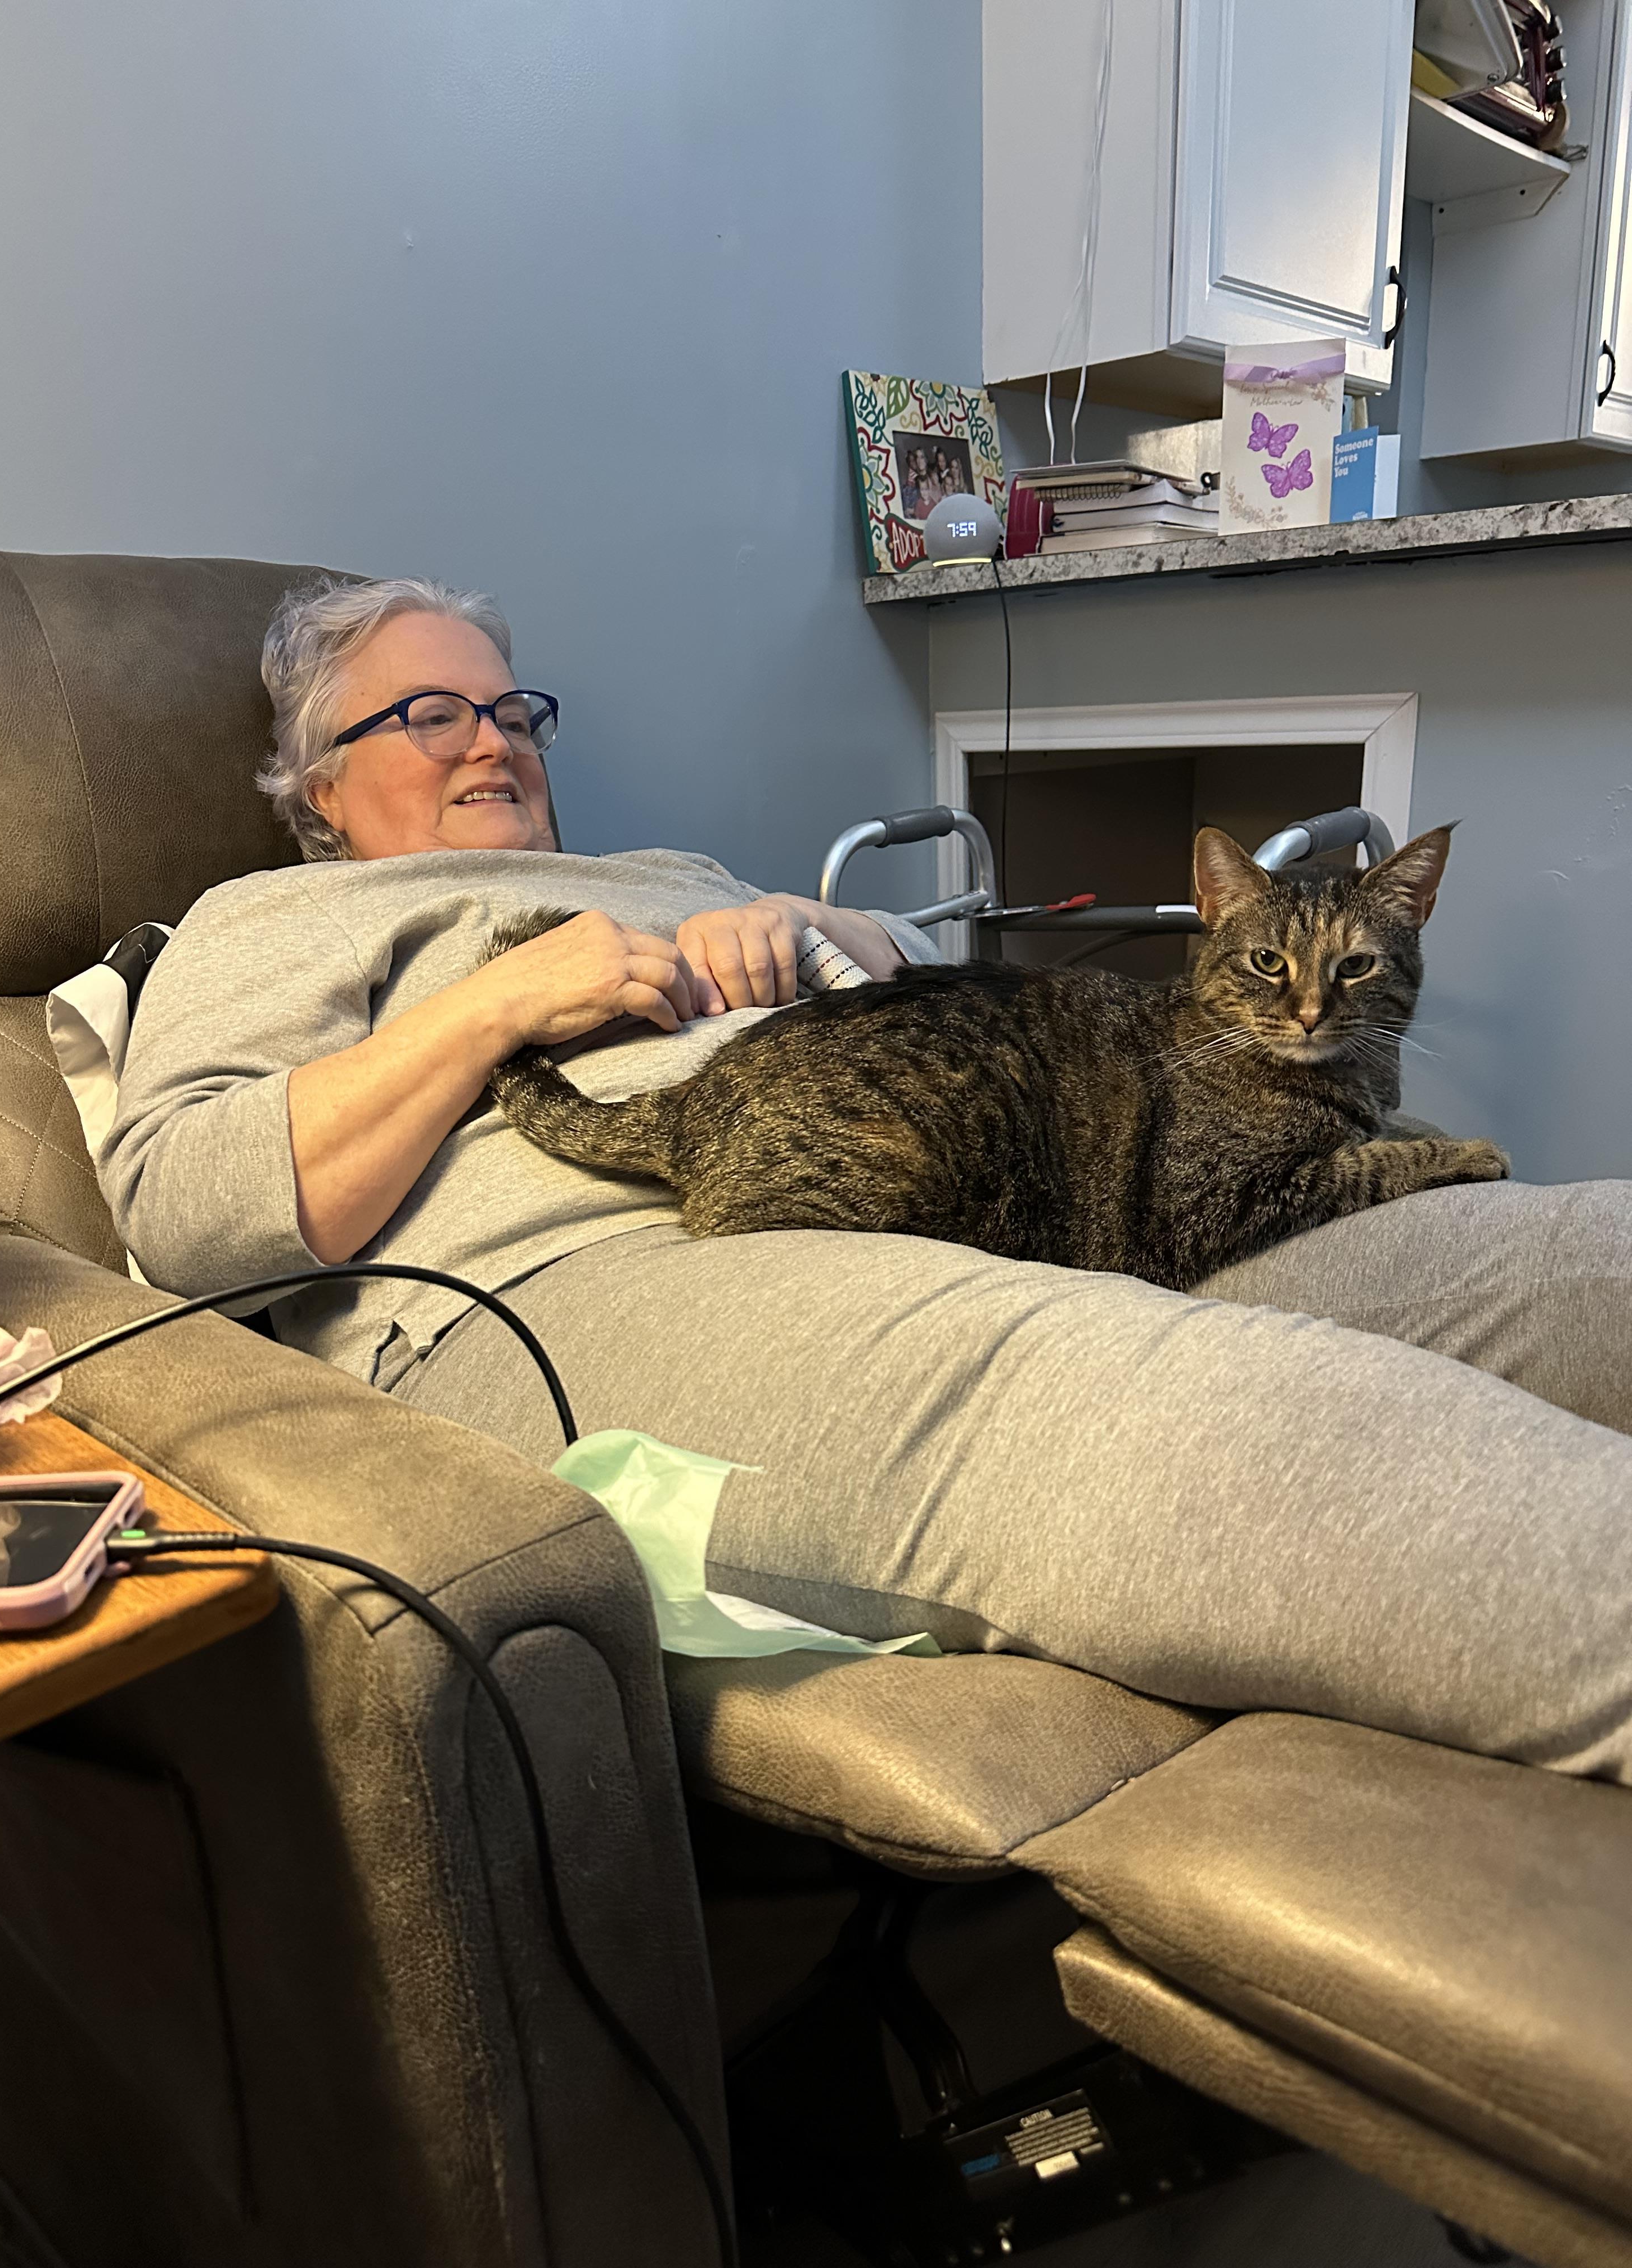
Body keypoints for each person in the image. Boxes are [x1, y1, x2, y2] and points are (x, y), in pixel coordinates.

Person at [99, 577, 1632, 1783]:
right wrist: (500, 1002)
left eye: (515, 709)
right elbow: (187, 1210)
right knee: (1208, 1401)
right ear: (312, 786)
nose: (494, 740)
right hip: (610, 1274)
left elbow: (935, 995)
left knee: (1573, 1255)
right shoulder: (259, 923)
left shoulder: (666, 876)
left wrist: (815, 933)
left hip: (1017, 1177)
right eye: (429, 714)